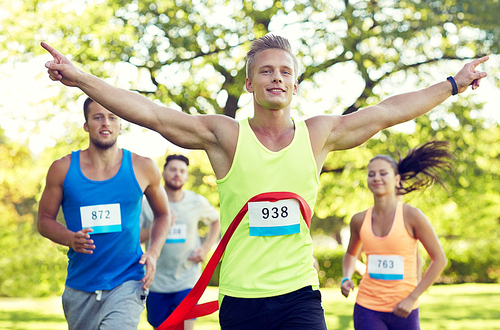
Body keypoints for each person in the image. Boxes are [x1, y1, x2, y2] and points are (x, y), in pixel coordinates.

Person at [41, 35, 488, 329]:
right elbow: (152, 114)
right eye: (267, 70)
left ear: (295, 84)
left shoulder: (319, 135)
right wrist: (81, 77)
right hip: (242, 299)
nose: (277, 77)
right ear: (252, 83)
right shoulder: (226, 137)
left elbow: (389, 111)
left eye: (286, 71)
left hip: (299, 295)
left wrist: (452, 82)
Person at [37, 97, 171, 330]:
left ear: (121, 124)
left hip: (128, 280)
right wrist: (70, 238)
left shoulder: (143, 167)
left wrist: (153, 253)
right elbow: (44, 221)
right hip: (80, 284)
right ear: (87, 125)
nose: (105, 123)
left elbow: (164, 215)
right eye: (97, 117)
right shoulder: (62, 168)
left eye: (112, 117)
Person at [340, 141, 452, 330]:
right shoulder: (359, 220)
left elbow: (439, 260)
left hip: (405, 309)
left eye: (383, 173)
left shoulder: (412, 216)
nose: (377, 178)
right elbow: (351, 255)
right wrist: (346, 277)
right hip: (367, 307)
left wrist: (412, 298)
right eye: (371, 174)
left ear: (397, 179)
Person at [140, 154, 221, 330]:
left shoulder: (196, 201)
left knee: (186, 327)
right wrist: (160, 225)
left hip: (187, 280)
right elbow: (134, 237)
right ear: (163, 173)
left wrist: (206, 248)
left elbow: (216, 220)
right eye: (173, 169)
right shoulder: (147, 203)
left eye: (182, 171)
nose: (177, 174)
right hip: (156, 282)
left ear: (186, 176)